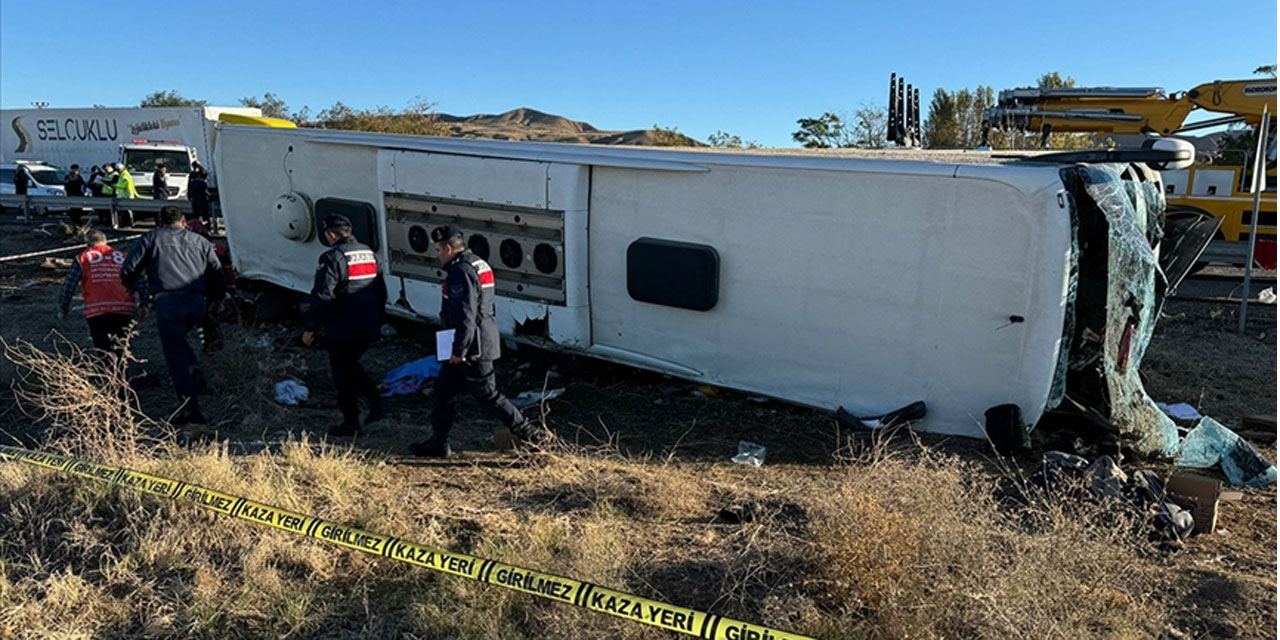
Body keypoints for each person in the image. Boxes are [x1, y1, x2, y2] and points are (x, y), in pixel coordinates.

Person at [409, 225, 536, 458]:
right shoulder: (478, 262)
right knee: (442, 393)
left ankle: (535, 438)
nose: (436, 255)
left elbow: (466, 314)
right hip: (474, 340)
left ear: (448, 248)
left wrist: (459, 350)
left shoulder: (461, 271)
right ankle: (439, 442)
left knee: (489, 395)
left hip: (471, 346)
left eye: (438, 249)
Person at [120, 205, 225, 425]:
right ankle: (194, 371)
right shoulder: (200, 241)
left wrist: (132, 287)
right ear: (184, 221)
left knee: (174, 355)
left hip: (168, 302)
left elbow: (129, 268)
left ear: (159, 222)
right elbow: (217, 272)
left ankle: (191, 411)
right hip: (197, 302)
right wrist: (216, 300)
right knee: (178, 341)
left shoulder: (150, 239)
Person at [301, 215, 387, 436]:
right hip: (369, 324)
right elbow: (381, 291)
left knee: (342, 374)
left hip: (344, 327)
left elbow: (323, 295)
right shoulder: (369, 253)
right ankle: (375, 402)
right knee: (350, 365)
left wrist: (310, 327)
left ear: (331, 234)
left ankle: (351, 422)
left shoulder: (332, 257)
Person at [57, 229, 136, 358]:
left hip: (97, 309)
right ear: (106, 242)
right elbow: (140, 279)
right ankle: (121, 374)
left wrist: (63, 309)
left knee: (103, 348)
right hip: (123, 306)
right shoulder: (122, 256)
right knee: (120, 346)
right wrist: (144, 302)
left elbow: (69, 286)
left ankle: (108, 375)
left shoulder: (83, 257)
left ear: (87, 244)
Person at [114, 162, 137, 227]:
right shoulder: (124, 174)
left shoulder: (124, 174)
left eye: (118, 170)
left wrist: (116, 185)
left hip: (126, 195)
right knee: (126, 211)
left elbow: (124, 184)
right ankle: (127, 224)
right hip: (126, 195)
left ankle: (128, 224)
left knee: (127, 212)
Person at [188, 160, 210, 225]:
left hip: (203, 196)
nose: (195, 168)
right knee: (195, 213)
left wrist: (200, 167)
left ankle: (207, 227)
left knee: (205, 213)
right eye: (194, 166)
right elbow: (189, 185)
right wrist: (189, 194)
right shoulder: (192, 174)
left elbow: (205, 174)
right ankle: (196, 226)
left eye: (196, 166)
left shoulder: (203, 173)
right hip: (195, 196)